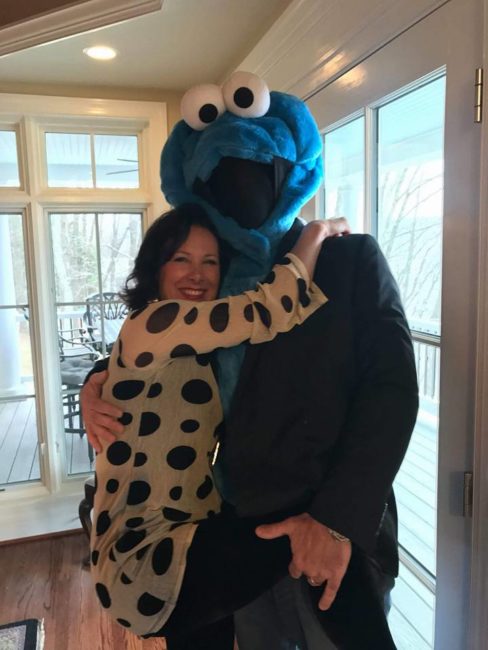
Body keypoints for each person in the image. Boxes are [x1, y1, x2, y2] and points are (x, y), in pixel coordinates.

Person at [82, 72, 419, 649]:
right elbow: (163, 355)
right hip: (225, 533)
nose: (241, 180)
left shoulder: (351, 258)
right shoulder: (212, 284)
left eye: (259, 168)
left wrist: (336, 520)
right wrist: (98, 383)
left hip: (330, 536)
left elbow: (391, 394)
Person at [91, 203, 367, 648]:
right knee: (315, 541)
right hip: (148, 557)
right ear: (154, 268)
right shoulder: (155, 321)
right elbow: (266, 311)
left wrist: (94, 383)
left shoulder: (195, 343)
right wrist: (316, 231)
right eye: (181, 259)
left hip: (187, 538)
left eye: (210, 261)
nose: (196, 275)